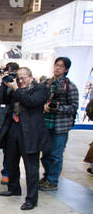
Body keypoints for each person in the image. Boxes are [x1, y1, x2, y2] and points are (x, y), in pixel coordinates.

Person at [0, 67, 49, 210]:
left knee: (31, 167)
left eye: (23, 77)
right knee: (11, 161)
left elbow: (30, 102)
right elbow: (2, 100)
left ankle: (32, 199)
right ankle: (13, 188)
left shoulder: (40, 89)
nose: (20, 80)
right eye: (18, 78)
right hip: (14, 128)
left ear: (31, 77)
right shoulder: (15, 89)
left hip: (30, 132)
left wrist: (16, 88)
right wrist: (5, 83)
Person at [40, 57, 79, 192]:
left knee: (56, 155)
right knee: (45, 153)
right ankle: (46, 176)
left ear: (66, 69)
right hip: (45, 124)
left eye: (61, 66)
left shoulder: (70, 86)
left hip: (60, 126)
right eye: (56, 65)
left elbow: (74, 107)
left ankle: (53, 180)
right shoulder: (46, 84)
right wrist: (43, 106)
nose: (57, 68)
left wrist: (58, 108)